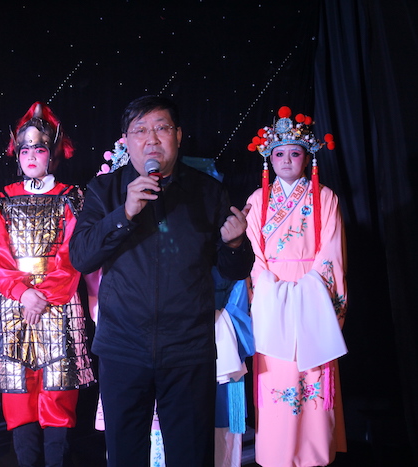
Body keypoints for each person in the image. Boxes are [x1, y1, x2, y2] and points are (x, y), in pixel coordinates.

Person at [69, 95, 254, 467]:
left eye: (161, 128)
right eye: (140, 130)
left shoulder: (208, 191)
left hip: (187, 351)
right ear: (126, 140)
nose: (151, 139)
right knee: (125, 457)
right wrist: (124, 213)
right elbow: (82, 256)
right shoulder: (105, 190)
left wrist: (236, 244)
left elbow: (234, 270)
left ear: (178, 135)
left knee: (191, 457)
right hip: (123, 349)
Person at [0, 102, 94, 467]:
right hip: (15, 306)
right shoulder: (3, 199)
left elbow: (73, 253)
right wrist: (23, 293)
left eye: (39, 149)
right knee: (19, 394)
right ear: (17, 154)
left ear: (52, 153)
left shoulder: (70, 196)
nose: (31, 156)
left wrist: (42, 295)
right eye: (25, 149)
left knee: (58, 391)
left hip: (59, 305)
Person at [245, 106, 347, 466]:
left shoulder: (325, 198)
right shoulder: (258, 200)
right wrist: (269, 291)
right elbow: (252, 254)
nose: (286, 160)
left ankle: (314, 453)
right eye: (279, 154)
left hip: (312, 294)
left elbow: (331, 252)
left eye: (295, 153)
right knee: (278, 376)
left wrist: (307, 291)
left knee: (312, 372)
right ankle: (276, 454)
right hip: (271, 297)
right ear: (269, 159)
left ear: (307, 157)